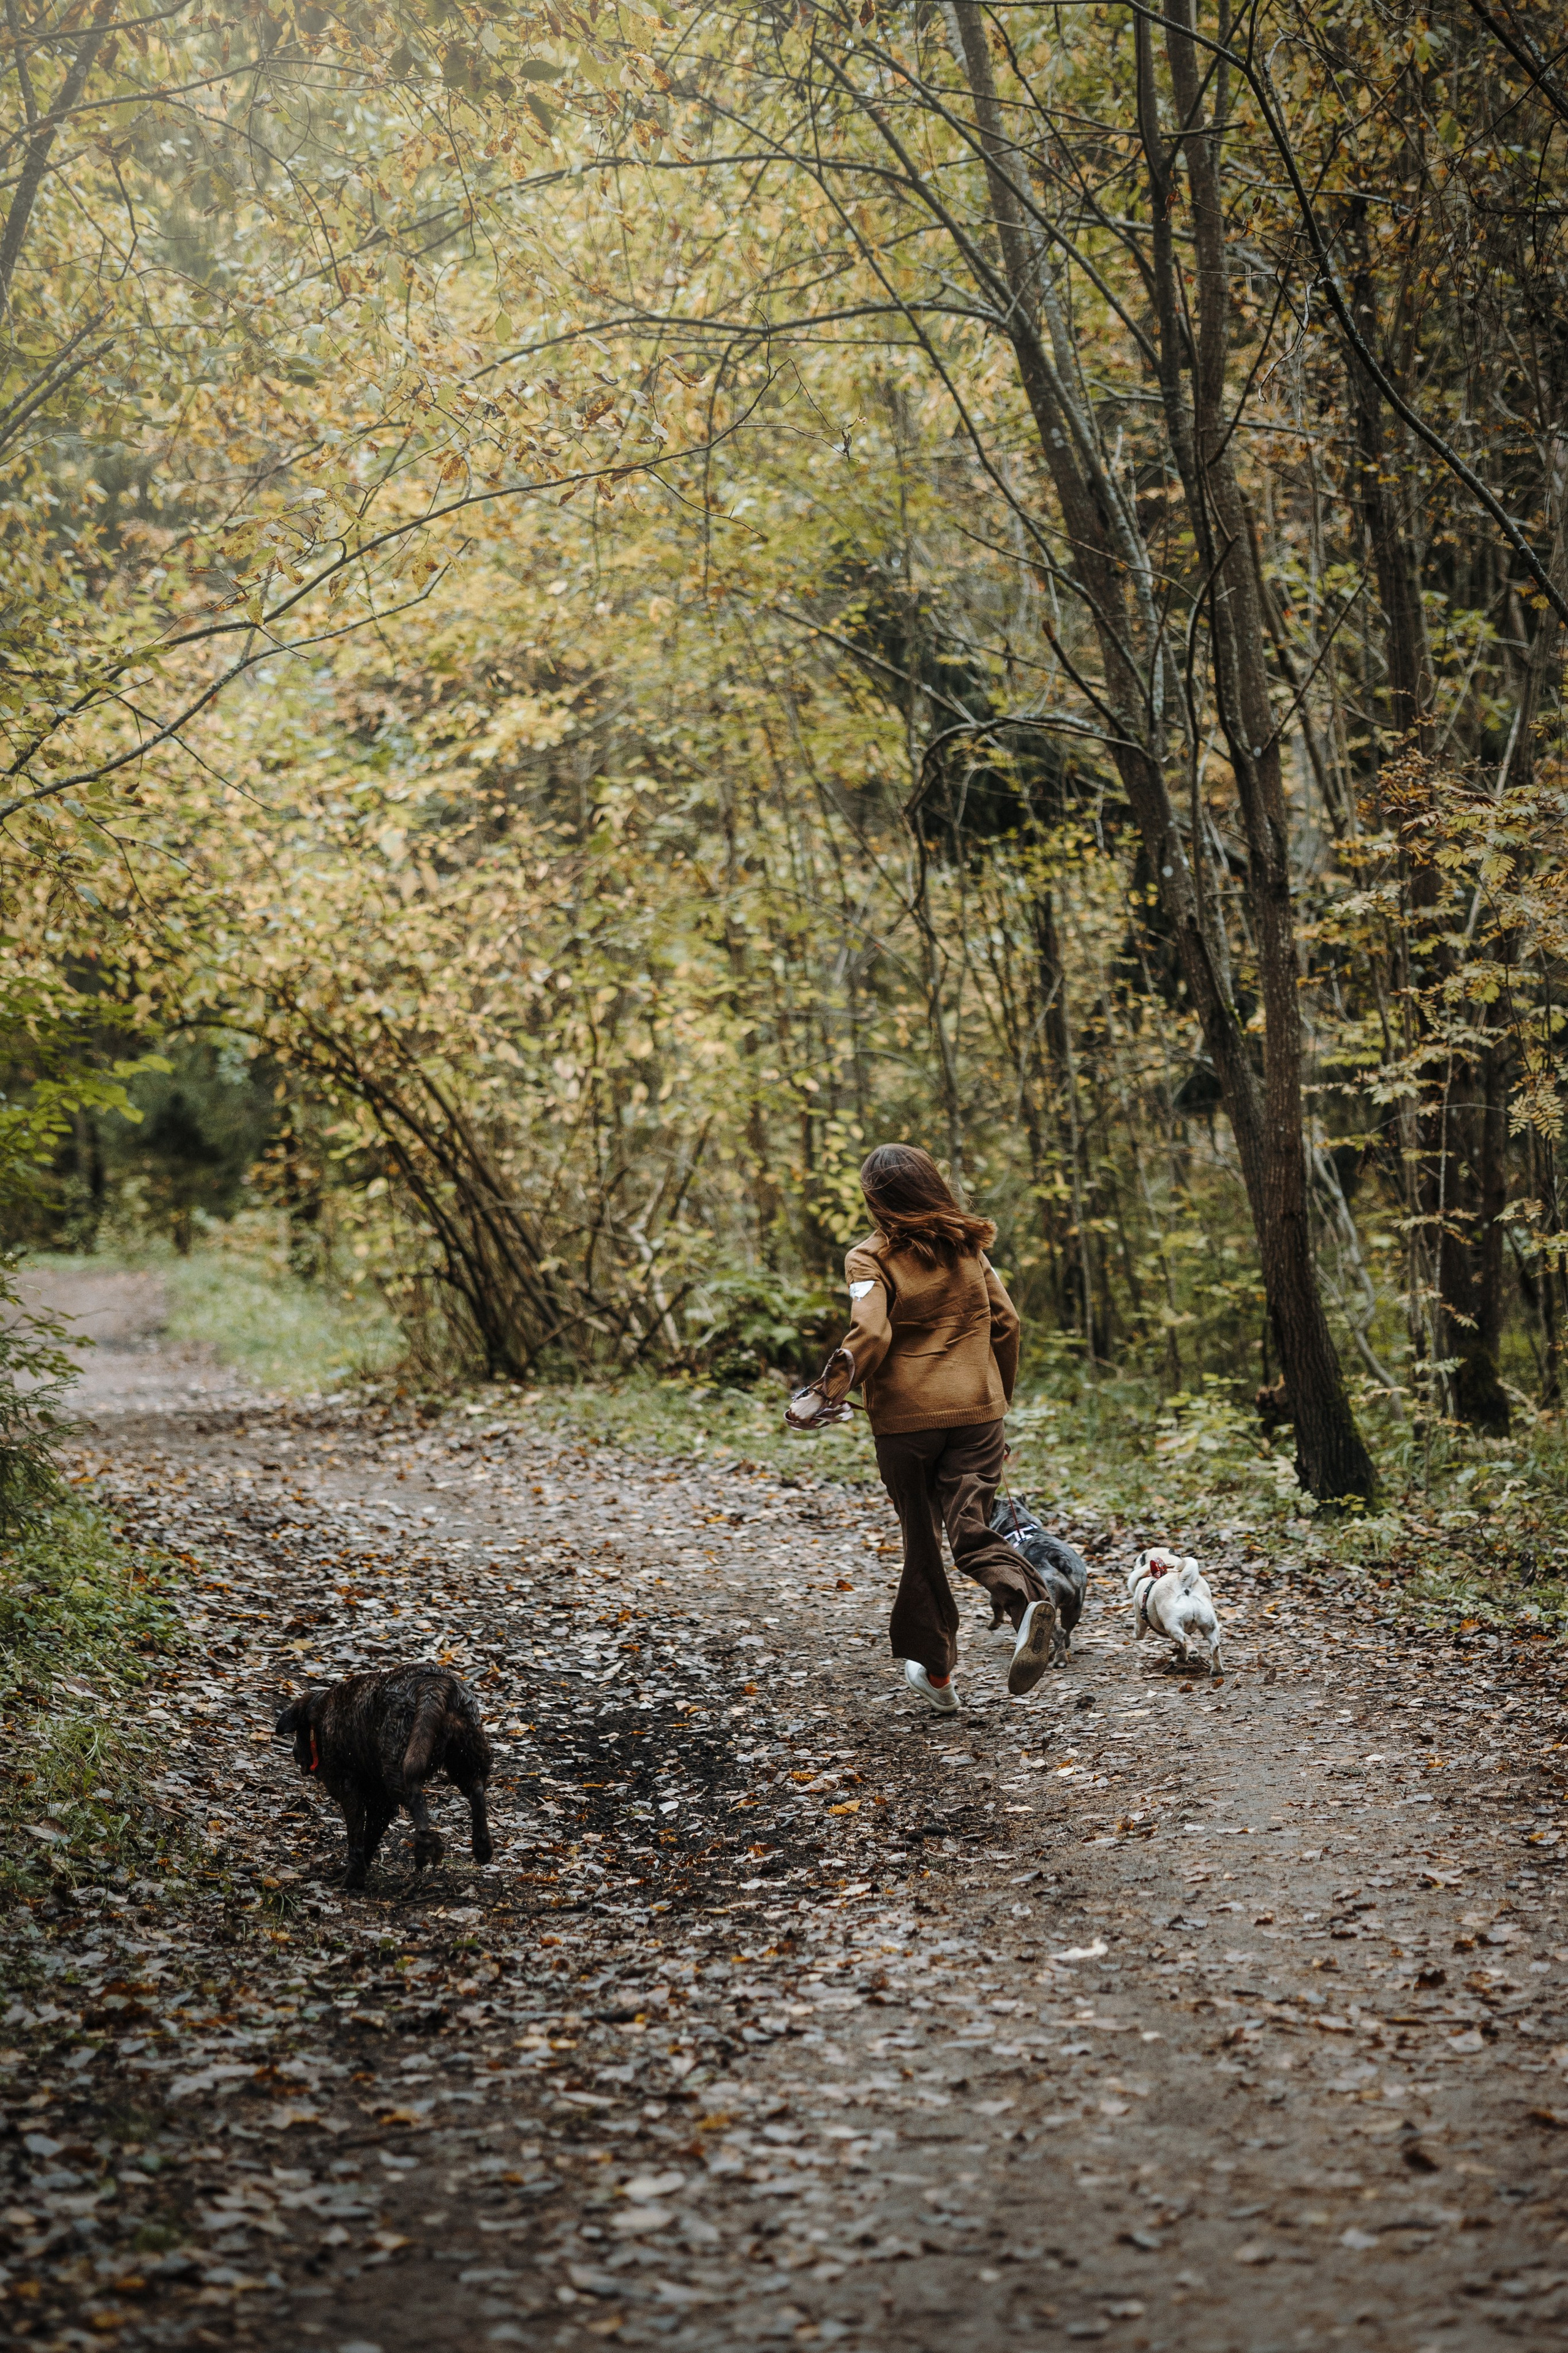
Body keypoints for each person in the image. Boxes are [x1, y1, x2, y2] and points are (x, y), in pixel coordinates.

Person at [807, 1143, 1055, 1713]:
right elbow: (1008, 1322)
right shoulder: (969, 1247)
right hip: (978, 1412)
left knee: (923, 1542)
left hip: (906, 1424)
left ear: (876, 1200)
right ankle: (1024, 1607)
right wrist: (998, 1401)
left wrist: (826, 1391)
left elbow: (869, 1334)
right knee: (970, 1526)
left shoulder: (868, 1258)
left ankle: (938, 1673)